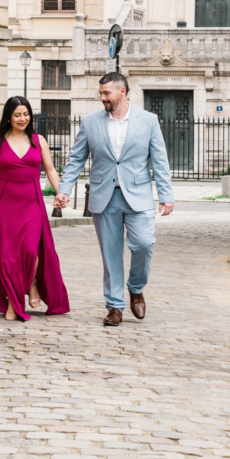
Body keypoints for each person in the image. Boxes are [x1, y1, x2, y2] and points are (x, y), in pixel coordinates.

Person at [53, 72, 174, 327]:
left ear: (122, 91)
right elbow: (76, 158)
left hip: (138, 196)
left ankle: (136, 287)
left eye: (106, 93)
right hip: (104, 196)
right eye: (100, 93)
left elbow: (160, 160)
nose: (102, 98)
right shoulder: (90, 121)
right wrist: (64, 189)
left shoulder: (148, 121)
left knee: (144, 243)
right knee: (111, 255)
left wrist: (166, 195)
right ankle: (115, 306)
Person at [0, 95, 70, 323]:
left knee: (30, 250)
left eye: (26, 114)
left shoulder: (38, 140)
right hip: (5, 201)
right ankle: (20, 294)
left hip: (32, 201)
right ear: (8, 117)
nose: (23, 118)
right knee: (8, 256)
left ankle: (22, 293)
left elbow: (50, 170)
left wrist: (61, 192)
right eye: (17, 115)